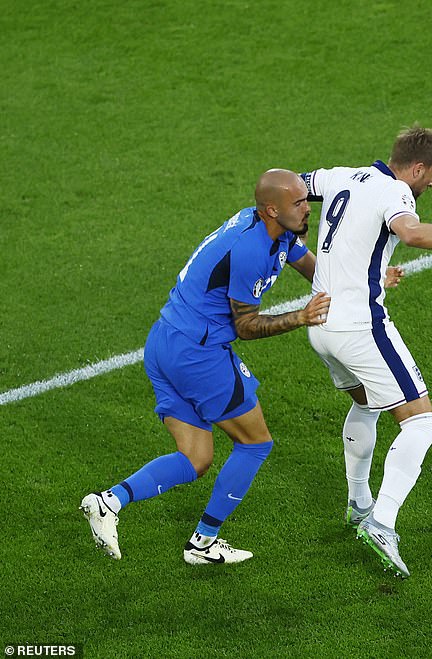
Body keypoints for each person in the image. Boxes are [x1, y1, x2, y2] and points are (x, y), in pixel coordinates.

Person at [81, 169, 332, 564]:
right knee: (255, 443)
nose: (308, 208)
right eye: (299, 203)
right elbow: (246, 327)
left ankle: (108, 502)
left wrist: (364, 281)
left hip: (164, 342)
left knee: (195, 458)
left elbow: (303, 260)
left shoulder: (270, 226)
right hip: (198, 355)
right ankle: (203, 542)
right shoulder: (250, 249)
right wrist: (300, 318)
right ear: (272, 209)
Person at [300, 125, 432, 577]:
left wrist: (370, 273)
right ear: (416, 168)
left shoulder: (342, 175)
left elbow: (289, 184)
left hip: (320, 324)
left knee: (366, 404)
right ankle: (382, 522)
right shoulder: (396, 193)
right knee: (422, 423)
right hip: (361, 327)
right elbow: (412, 233)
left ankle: (359, 502)